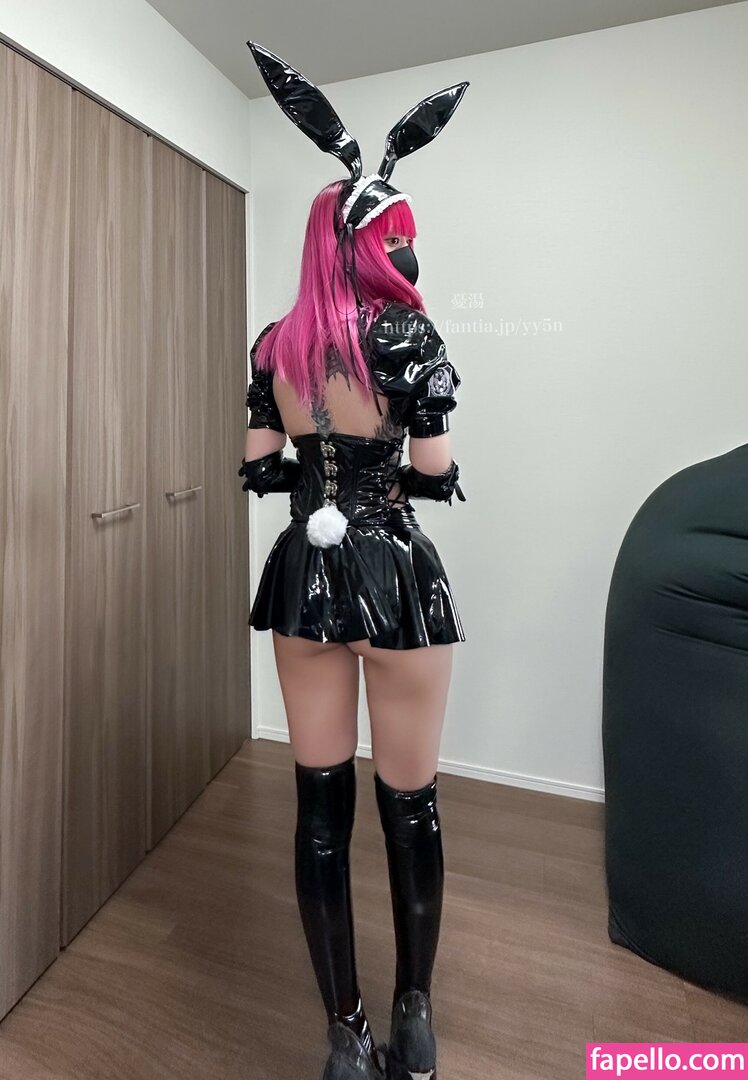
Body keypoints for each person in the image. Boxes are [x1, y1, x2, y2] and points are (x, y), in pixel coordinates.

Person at [239, 42, 469, 1080]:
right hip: (396, 582)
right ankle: (413, 1017)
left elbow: (261, 468)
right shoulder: (409, 338)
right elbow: (434, 471)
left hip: (306, 581)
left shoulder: (274, 346)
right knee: (410, 806)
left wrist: (316, 490)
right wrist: (385, 485)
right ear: (379, 242)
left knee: (319, 809)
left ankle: (347, 1034)